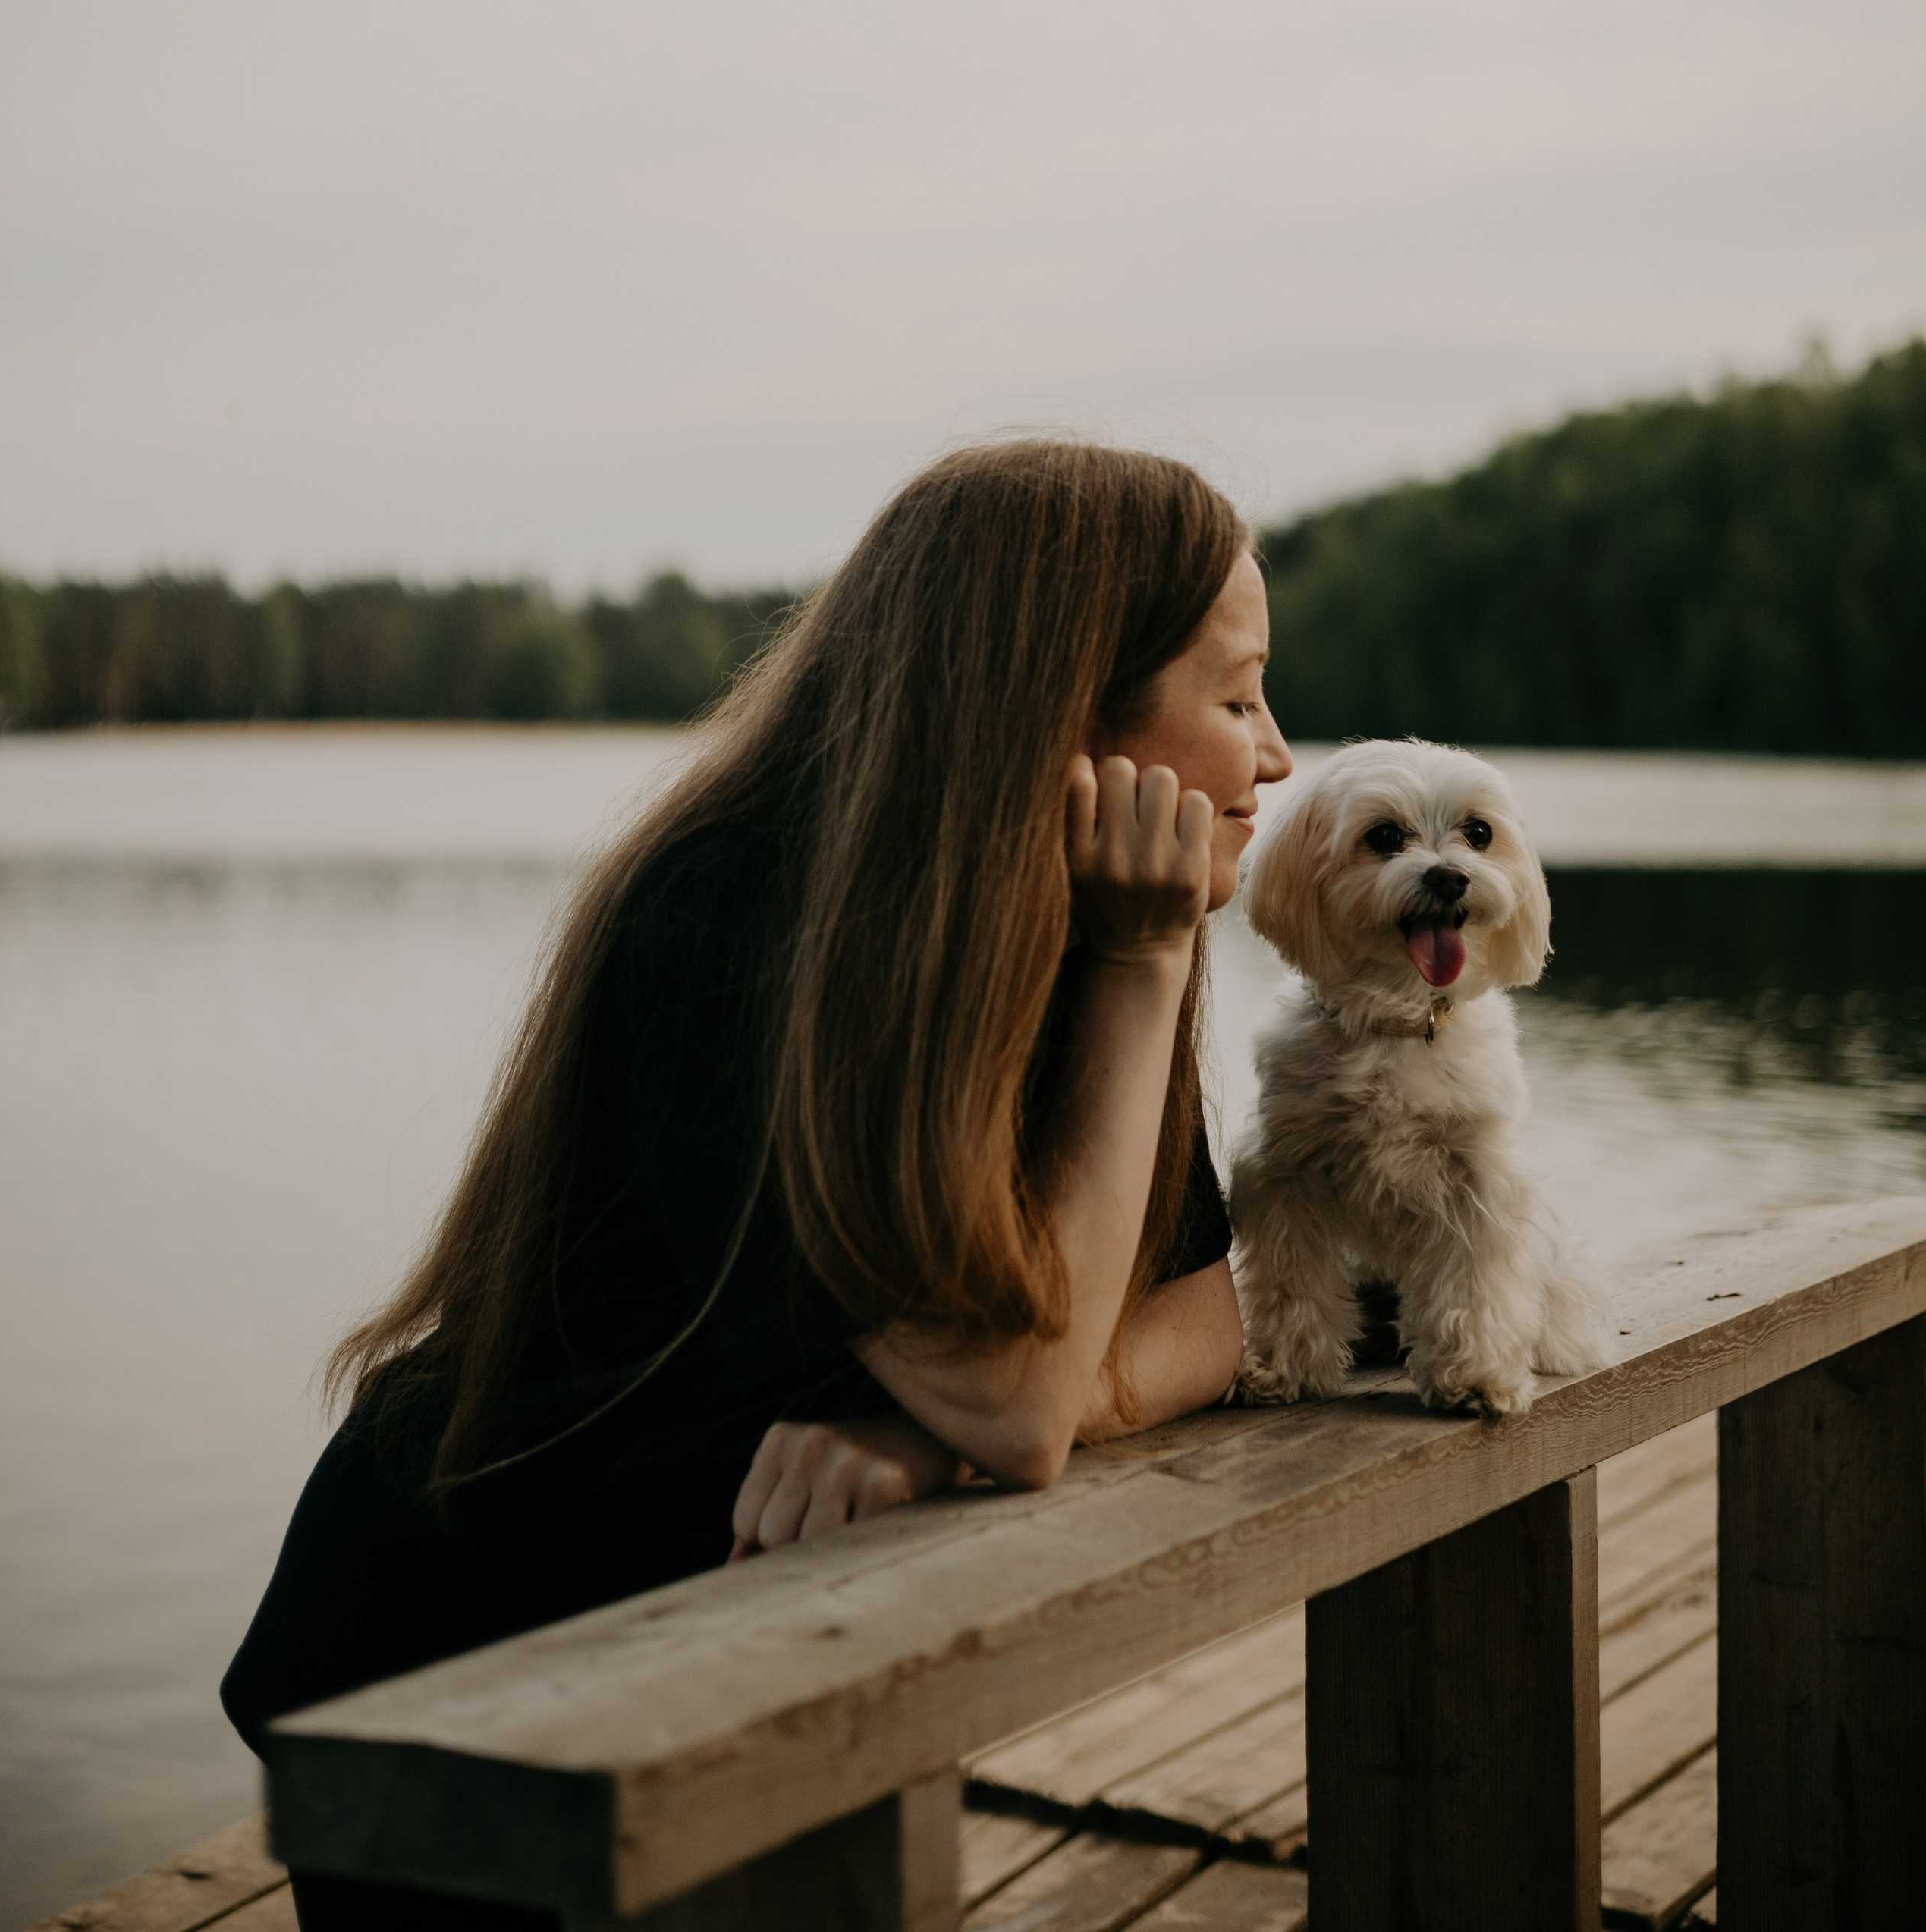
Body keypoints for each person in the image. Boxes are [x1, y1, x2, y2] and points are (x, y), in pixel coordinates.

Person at [223, 438, 1291, 1928]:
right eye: (1236, 699)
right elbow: (1017, 1404)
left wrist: (934, 1436)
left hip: (723, 1649)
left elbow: (1212, 1313)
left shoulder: (1083, 923)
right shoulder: (727, 917)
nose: (1278, 756)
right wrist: (1139, 968)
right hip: (466, 1663)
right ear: (1063, 712)